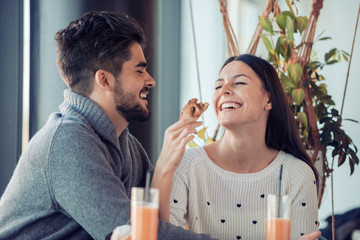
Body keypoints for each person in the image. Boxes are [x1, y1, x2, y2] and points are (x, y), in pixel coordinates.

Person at [0, 10, 215, 240]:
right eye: (140, 70)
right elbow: (132, 231)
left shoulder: (129, 147)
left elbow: (160, 219)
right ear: (104, 80)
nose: (151, 80)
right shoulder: (67, 141)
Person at [166, 54, 322, 240]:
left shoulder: (297, 174)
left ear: (268, 100)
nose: (224, 90)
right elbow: (161, 234)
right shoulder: (186, 164)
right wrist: (165, 163)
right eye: (218, 86)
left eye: (239, 83)